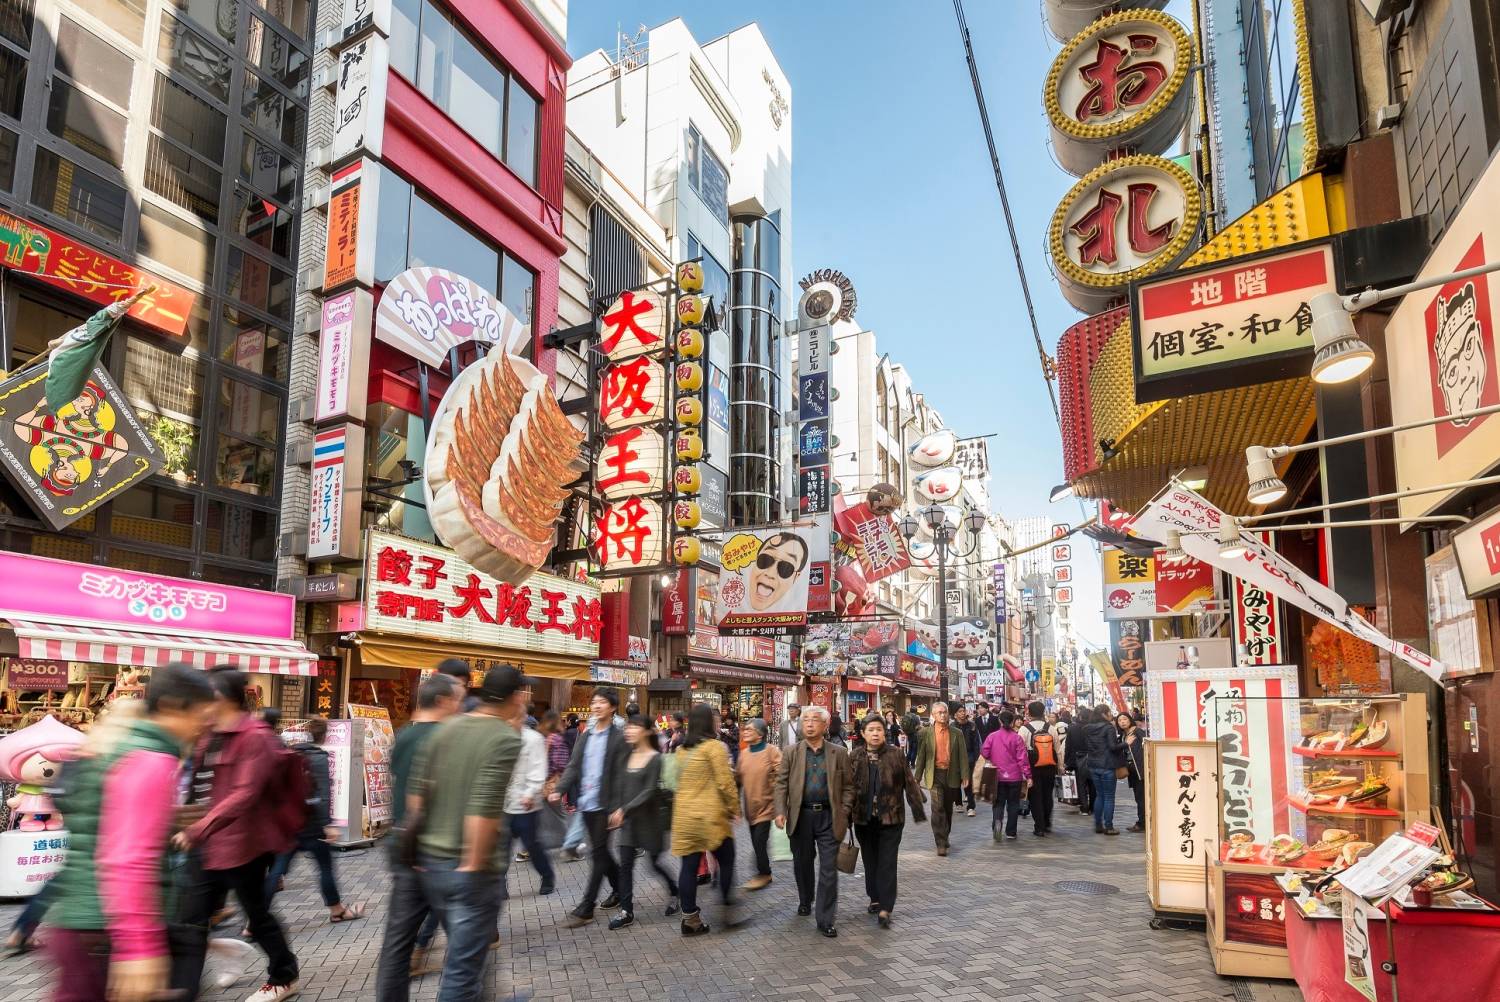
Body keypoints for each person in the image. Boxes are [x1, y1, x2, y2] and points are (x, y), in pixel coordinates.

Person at [46, 666, 214, 1002]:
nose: (202, 730)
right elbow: (128, 859)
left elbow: (103, 823)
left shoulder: (115, 743)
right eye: (199, 717)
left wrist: (165, 820)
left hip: (79, 922)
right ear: (170, 706)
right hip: (104, 931)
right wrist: (139, 946)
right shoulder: (153, 759)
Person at [171, 667, 299, 1002]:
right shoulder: (206, 732)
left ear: (223, 698)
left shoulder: (255, 736)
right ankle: (183, 991)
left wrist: (197, 828)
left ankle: (284, 974)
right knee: (191, 922)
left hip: (243, 844)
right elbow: (196, 783)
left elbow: (245, 793)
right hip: (203, 843)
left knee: (257, 915)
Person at [403, 665, 525, 1002]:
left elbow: (417, 793)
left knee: (470, 955)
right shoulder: (503, 737)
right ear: (516, 697)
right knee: (461, 973)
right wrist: (473, 865)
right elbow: (483, 805)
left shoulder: (447, 727)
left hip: (431, 862)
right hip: (469, 871)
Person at [378, 673, 463, 994]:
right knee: (467, 939)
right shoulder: (442, 740)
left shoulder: (402, 736)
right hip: (435, 852)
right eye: (456, 699)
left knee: (398, 942)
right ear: (442, 701)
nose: (459, 705)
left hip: (402, 847)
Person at [265, 718, 363, 922]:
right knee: (325, 868)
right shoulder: (319, 758)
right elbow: (323, 795)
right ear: (325, 734)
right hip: (312, 826)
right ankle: (336, 910)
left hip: (290, 824)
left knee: (277, 871)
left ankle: (254, 919)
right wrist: (327, 824)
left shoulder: (292, 753)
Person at [774, 706, 853, 938]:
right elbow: (781, 784)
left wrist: (845, 810)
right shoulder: (791, 752)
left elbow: (849, 786)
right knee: (803, 862)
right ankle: (805, 898)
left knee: (829, 869)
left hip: (830, 816)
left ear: (824, 725)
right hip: (801, 816)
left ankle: (825, 918)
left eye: (814, 720)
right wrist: (780, 810)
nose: (809, 723)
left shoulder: (838, 752)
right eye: (805, 719)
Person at [553, 690, 626, 927]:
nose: (596, 706)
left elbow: (622, 775)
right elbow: (573, 765)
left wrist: (619, 808)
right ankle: (622, 890)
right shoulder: (586, 735)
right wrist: (560, 788)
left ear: (612, 707)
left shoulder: (618, 737)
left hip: (606, 805)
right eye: (594, 702)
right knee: (602, 853)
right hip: (587, 802)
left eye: (602, 702)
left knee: (598, 854)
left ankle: (587, 907)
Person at [848, 716, 925, 929]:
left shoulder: (896, 755)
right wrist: (844, 815)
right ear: (863, 733)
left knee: (888, 862)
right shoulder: (854, 756)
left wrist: (918, 811)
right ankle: (874, 897)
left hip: (891, 818)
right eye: (871, 729)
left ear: (884, 732)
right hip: (863, 819)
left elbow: (910, 785)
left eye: (879, 730)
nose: (875, 733)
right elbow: (848, 788)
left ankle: (886, 907)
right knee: (870, 860)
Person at [671, 704, 741, 936]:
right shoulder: (714, 748)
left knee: (688, 867)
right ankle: (727, 906)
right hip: (710, 817)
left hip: (684, 816)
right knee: (727, 858)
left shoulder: (681, 750)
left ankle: (690, 919)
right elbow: (725, 783)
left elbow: (674, 783)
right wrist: (734, 808)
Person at [610, 716, 677, 929]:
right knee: (625, 866)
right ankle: (626, 911)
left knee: (654, 864)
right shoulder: (625, 756)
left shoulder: (656, 758)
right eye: (628, 727)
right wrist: (614, 809)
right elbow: (618, 787)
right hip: (629, 823)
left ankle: (675, 891)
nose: (629, 730)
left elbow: (649, 791)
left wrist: (624, 809)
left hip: (650, 821)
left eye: (635, 727)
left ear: (648, 731)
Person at [503, 681, 556, 896]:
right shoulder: (501, 738)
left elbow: (538, 770)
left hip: (526, 805)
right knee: (500, 850)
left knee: (532, 845)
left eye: (514, 717)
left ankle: (547, 875)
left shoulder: (533, 739)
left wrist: (529, 793)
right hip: (503, 805)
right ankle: (500, 886)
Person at [912, 701, 969, 856]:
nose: (943, 715)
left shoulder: (957, 733)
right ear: (933, 715)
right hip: (934, 774)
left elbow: (963, 756)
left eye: (945, 712)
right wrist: (916, 777)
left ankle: (945, 834)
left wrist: (965, 775)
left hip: (951, 775)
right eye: (939, 713)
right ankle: (941, 842)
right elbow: (921, 756)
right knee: (937, 808)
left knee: (948, 809)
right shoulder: (925, 733)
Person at [736, 718, 782, 891]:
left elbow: (782, 776)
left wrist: (780, 805)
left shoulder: (772, 751)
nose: (745, 732)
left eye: (749, 729)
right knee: (757, 843)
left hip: (767, 807)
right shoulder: (744, 753)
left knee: (759, 842)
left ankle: (764, 873)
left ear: (760, 734)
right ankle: (763, 872)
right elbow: (737, 780)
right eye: (744, 729)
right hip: (750, 808)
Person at [980, 710, 1031, 841]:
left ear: (1000, 721)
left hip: (998, 777)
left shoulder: (992, 736)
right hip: (1015, 777)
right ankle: (1011, 832)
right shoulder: (1017, 738)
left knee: (998, 803)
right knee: (1013, 804)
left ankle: (997, 823)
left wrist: (993, 757)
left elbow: (984, 752)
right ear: (1013, 722)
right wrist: (1028, 776)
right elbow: (1023, 759)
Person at [1084, 704, 1127, 835]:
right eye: (1109, 712)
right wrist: (1126, 743)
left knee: (1099, 795)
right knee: (1108, 797)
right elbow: (1113, 747)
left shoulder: (1087, 728)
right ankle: (1108, 826)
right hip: (1107, 765)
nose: (1111, 715)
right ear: (1104, 714)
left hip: (1093, 765)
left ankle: (1098, 825)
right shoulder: (1108, 728)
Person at [1021, 701, 1060, 837]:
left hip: (1032, 766)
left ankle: (1039, 827)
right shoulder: (1051, 728)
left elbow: (1020, 751)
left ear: (1029, 713)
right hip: (1049, 765)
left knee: (1035, 796)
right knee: (1047, 794)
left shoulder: (1024, 729)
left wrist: (1022, 770)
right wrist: (1060, 766)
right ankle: (1047, 822)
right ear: (1043, 712)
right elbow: (1058, 750)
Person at [1118, 712, 1147, 832]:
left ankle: (1142, 823)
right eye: (1120, 720)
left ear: (1130, 720)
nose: (1122, 722)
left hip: (1140, 769)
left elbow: (1147, 746)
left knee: (1141, 797)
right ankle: (1142, 821)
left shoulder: (1138, 732)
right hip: (1132, 770)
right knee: (1138, 797)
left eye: (1125, 719)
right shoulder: (1123, 736)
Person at [1066, 706, 1094, 815]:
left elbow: (1068, 746)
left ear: (1080, 716)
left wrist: (1066, 761)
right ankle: (1092, 806)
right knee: (1092, 784)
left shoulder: (1073, 728)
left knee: (1081, 784)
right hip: (1093, 758)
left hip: (1078, 759)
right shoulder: (1094, 728)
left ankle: (1084, 807)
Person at [954, 706, 981, 817]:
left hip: (969, 756)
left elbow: (976, 743)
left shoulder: (972, 725)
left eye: (963, 711)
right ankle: (959, 804)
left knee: (968, 782)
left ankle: (971, 806)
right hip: (955, 757)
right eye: (959, 711)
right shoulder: (952, 726)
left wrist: (976, 759)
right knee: (955, 782)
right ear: (955, 714)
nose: (962, 713)